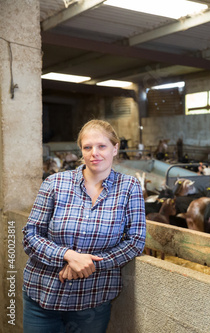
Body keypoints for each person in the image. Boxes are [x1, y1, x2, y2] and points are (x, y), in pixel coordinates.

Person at [22, 119, 146, 332]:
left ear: (115, 148)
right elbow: (31, 234)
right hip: (42, 294)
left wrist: (91, 264)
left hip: (92, 300)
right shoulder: (54, 184)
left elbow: (135, 241)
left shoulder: (129, 187)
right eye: (87, 147)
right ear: (81, 150)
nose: (94, 153)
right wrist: (68, 255)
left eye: (102, 146)